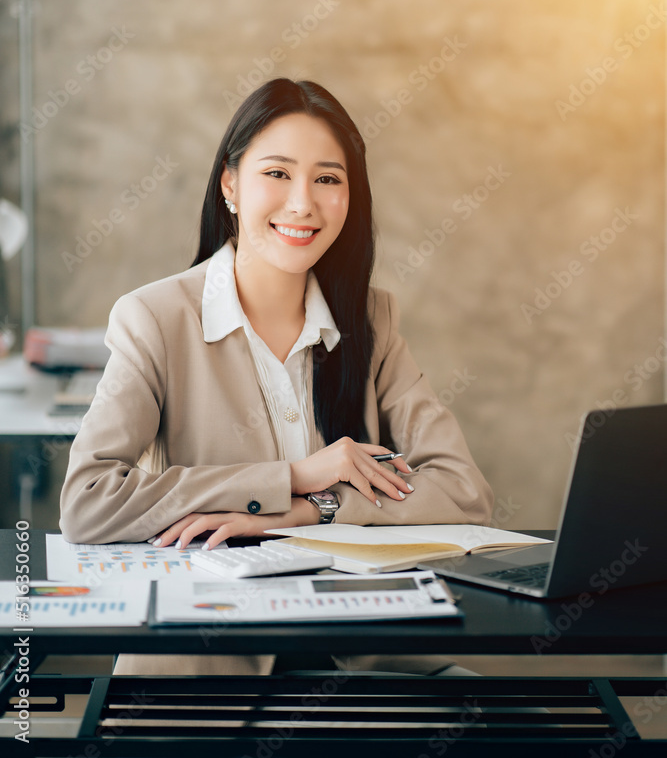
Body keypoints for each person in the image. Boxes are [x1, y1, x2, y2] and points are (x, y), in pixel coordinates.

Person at [59, 77, 493, 684]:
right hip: (205, 659)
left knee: (537, 726)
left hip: (358, 647)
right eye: (278, 173)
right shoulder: (154, 319)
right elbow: (89, 502)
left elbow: (463, 493)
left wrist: (310, 509)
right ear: (231, 185)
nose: (302, 204)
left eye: (328, 179)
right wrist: (290, 477)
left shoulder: (372, 321)